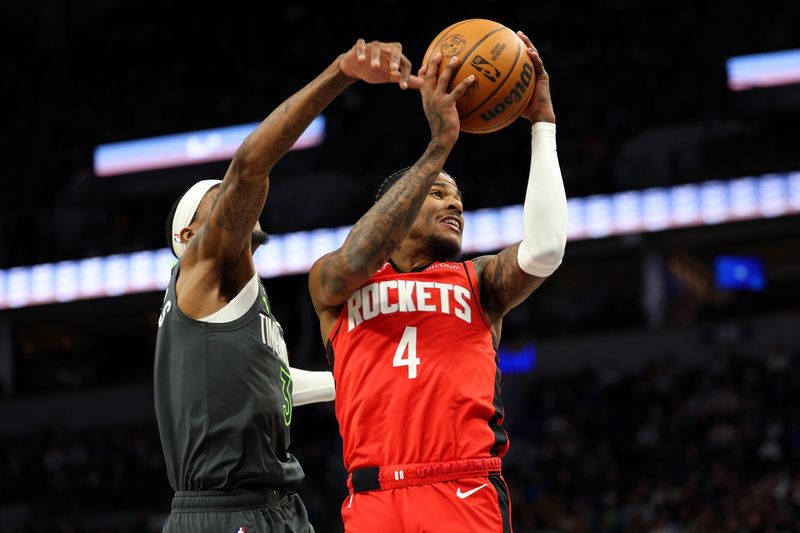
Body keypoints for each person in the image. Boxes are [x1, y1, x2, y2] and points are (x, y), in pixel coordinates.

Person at [154, 39, 422, 532]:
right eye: (220, 198)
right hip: (226, 509)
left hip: (273, 505)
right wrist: (341, 72)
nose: (242, 203)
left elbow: (271, 385)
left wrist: (364, 381)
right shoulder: (203, 267)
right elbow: (251, 167)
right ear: (190, 236)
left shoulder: (229, 304)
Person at [309, 32, 566, 532]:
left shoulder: (479, 282)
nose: (456, 204)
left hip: (463, 487)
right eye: (439, 194)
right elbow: (361, 252)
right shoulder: (334, 282)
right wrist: (439, 147)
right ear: (400, 204)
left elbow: (546, 250)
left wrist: (543, 124)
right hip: (372, 494)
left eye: (458, 198)